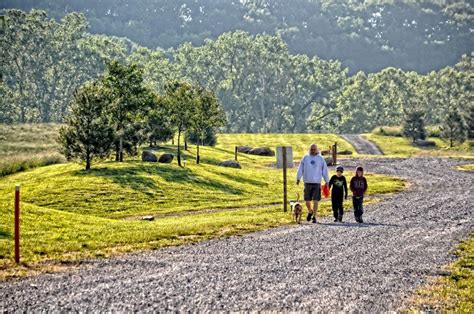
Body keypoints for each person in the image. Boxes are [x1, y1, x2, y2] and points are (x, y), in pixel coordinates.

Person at [296, 144, 329, 223]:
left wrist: (327, 180)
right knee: (307, 201)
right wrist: (298, 178)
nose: (313, 151)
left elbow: (324, 170)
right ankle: (310, 211)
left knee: (315, 200)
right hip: (307, 182)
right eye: (311, 149)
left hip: (317, 183)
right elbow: (300, 168)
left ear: (317, 150)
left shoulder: (320, 159)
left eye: (314, 149)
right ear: (309, 149)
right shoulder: (305, 158)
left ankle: (314, 216)